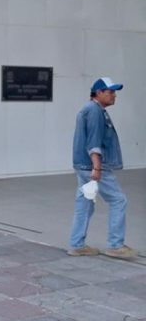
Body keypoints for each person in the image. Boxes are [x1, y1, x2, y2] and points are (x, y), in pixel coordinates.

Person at [67, 77, 138, 259]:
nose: (114, 96)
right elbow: (93, 141)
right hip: (93, 166)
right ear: (98, 93)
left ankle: (77, 245)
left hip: (83, 166)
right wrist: (97, 168)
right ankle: (115, 245)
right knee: (118, 200)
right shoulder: (94, 111)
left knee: (85, 204)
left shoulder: (91, 109)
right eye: (110, 92)